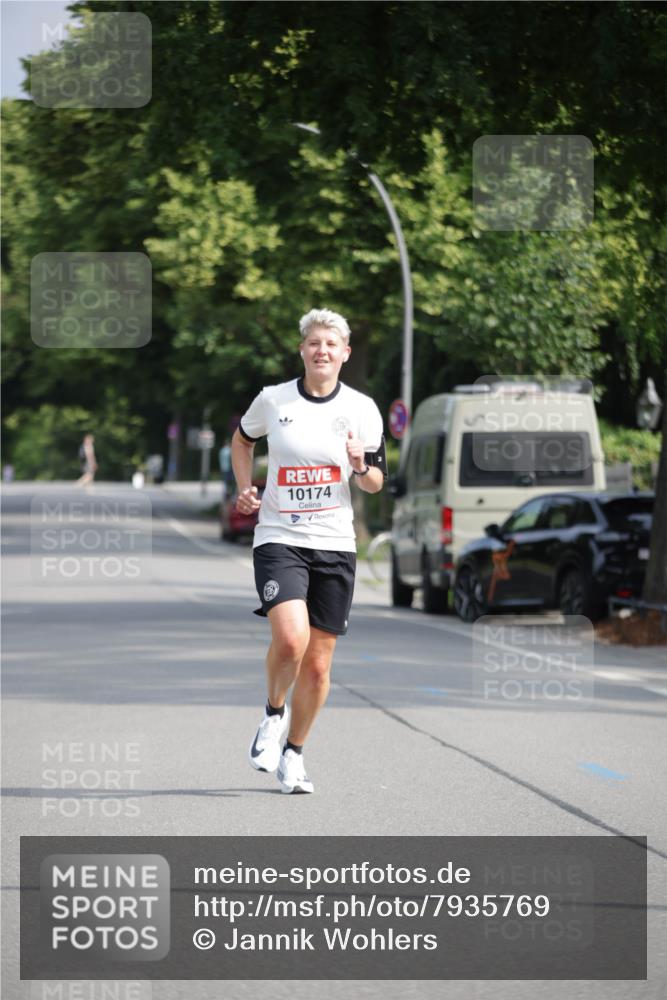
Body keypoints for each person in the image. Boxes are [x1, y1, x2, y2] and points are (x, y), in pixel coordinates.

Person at [231, 308, 386, 794]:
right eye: (314, 342)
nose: (322, 351)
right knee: (292, 640)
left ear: (344, 353)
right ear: (303, 349)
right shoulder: (274, 401)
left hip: (335, 543)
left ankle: (294, 754)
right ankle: (273, 713)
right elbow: (242, 440)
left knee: (319, 664)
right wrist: (244, 487)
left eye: (330, 344)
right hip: (280, 537)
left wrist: (361, 467)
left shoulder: (363, 409)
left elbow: (378, 483)